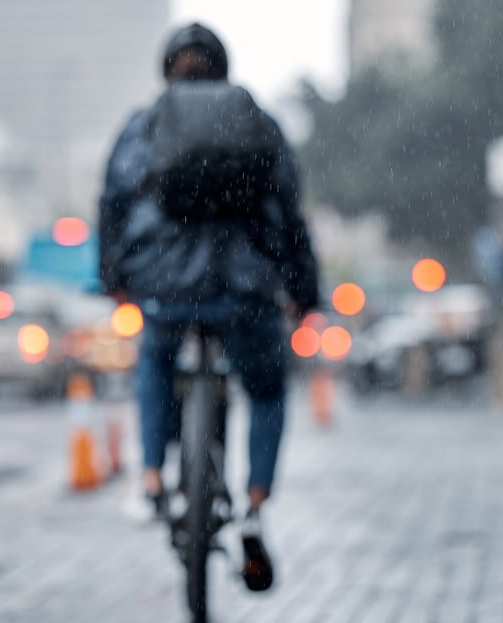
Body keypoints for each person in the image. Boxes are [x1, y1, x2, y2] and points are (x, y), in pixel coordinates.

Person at [98, 22, 319, 592]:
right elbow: (289, 212)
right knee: (267, 390)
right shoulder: (257, 121)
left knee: (154, 359)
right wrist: (302, 290)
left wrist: (116, 278)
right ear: (223, 69)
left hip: (165, 288)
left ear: (166, 70)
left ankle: (150, 481)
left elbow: (114, 205)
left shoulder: (142, 126)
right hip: (244, 290)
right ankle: (253, 507)